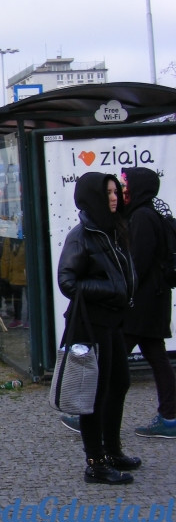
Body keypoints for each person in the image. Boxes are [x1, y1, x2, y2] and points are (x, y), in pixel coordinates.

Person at [57, 172, 138, 485]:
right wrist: (110, 288)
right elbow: (67, 281)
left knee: (120, 383)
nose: (114, 197)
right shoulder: (82, 235)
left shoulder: (114, 229)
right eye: (107, 193)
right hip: (91, 323)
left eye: (115, 191)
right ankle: (95, 462)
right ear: (92, 196)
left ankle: (113, 450)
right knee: (94, 393)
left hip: (113, 320)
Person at [120, 167, 176, 439]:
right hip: (152, 300)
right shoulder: (148, 213)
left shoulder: (142, 217)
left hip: (141, 303)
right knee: (157, 357)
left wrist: (120, 293)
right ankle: (170, 416)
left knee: (113, 358)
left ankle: (90, 413)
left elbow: (137, 264)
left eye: (126, 183)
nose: (122, 189)